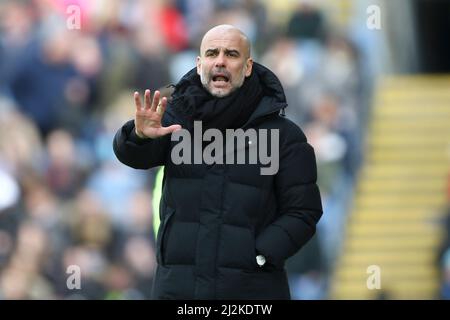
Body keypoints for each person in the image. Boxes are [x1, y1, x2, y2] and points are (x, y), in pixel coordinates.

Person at [113, 24, 323, 299]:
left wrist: (258, 254)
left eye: (231, 54)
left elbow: (303, 211)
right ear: (200, 64)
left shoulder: (284, 136)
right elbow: (134, 156)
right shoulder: (174, 122)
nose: (220, 61)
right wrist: (138, 136)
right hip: (178, 289)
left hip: (251, 291)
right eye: (212, 53)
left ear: (248, 66)